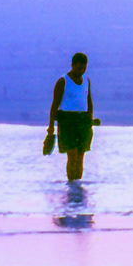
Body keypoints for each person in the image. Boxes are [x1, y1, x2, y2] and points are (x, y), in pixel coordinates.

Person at [47, 53, 95, 182]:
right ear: (72, 65)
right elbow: (54, 105)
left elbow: (89, 101)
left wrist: (90, 120)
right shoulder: (63, 81)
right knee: (72, 155)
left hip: (83, 121)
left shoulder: (86, 80)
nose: (81, 70)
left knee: (80, 156)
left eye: (84, 68)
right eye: (79, 67)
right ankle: (71, 185)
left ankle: (78, 187)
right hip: (67, 121)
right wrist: (51, 127)